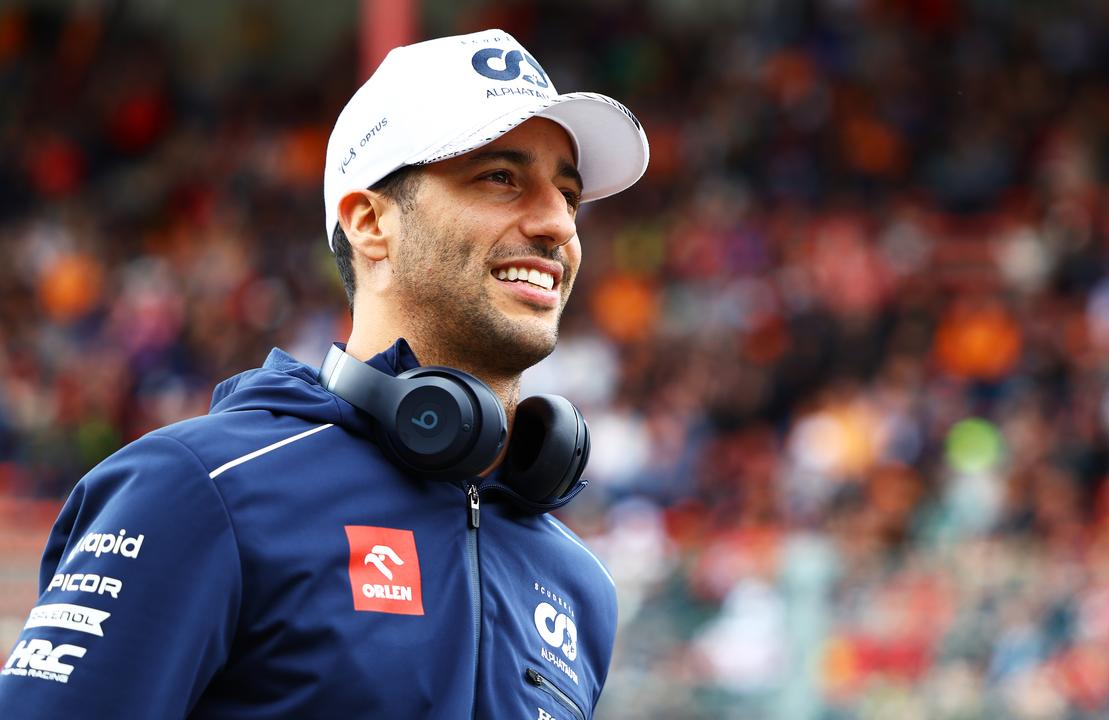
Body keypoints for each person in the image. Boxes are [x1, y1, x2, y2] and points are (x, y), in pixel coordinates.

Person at [0, 29, 648, 719]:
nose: (557, 224)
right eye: (501, 178)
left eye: (570, 195)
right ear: (370, 222)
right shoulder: (199, 490)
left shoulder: (580, 587)